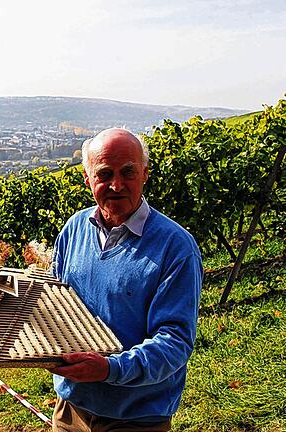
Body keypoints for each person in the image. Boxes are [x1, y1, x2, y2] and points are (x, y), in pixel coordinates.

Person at [48, 128, 202, 431]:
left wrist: (109, 369)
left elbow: (174, 343)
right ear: (87, 177)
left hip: (136, 417)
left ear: (144, 174)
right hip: (71, 408)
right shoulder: (74, 229)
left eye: (128, 172)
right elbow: (55, 305)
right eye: (104, 173)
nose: (116, 185)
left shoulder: (175, 247)